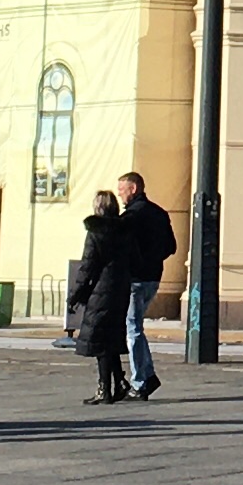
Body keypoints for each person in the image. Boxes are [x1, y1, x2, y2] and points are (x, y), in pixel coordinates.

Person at [108, 171, 178, 400]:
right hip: (154, 277)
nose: (120, 195)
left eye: (122, 190)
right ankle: (147, 375)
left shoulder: (131, 217)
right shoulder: (159, 213)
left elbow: (121, 249)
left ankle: (141, 382)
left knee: (132, 328)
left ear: (134, 188)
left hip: (135, 279)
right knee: (135, 325)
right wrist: (153, 259)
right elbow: (171, 247)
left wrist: (135, 263)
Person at [71, 191, 130, 404]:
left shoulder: (95, 232)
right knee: (111, 337)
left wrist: (75, 294)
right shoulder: (125, 230)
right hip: (121, 288)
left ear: (97, 207)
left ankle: (104, 389)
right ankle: (119, 382)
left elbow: (88, 265)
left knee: (100, 340)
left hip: (100, 290)